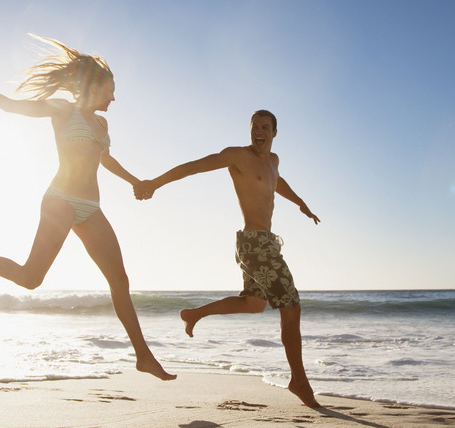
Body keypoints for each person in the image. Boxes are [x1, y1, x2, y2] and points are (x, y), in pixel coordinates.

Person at [0, 36, 175, 381]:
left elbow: (104, 158)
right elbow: (9, 106)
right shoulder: (61, 110)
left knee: (120, 281)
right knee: (31, 278)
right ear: (94, 86)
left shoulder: (102, 124)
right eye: (110, 90)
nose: (114, 97)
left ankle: (143, 356)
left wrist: (134, 180)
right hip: (60, 200)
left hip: (91, 207)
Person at [134, 110, 320, 406]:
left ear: (274, 132)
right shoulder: (237, 156)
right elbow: (194, 167)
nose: (258, 132)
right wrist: (154, 183)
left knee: (253, 304)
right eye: (254, 127)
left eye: (265, 127)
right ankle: (299, 380)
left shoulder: (273, 161)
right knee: (291, 307)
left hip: (261, 243)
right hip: (256, 245)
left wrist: (301, 204)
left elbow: (277, 182)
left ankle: (195, 314)